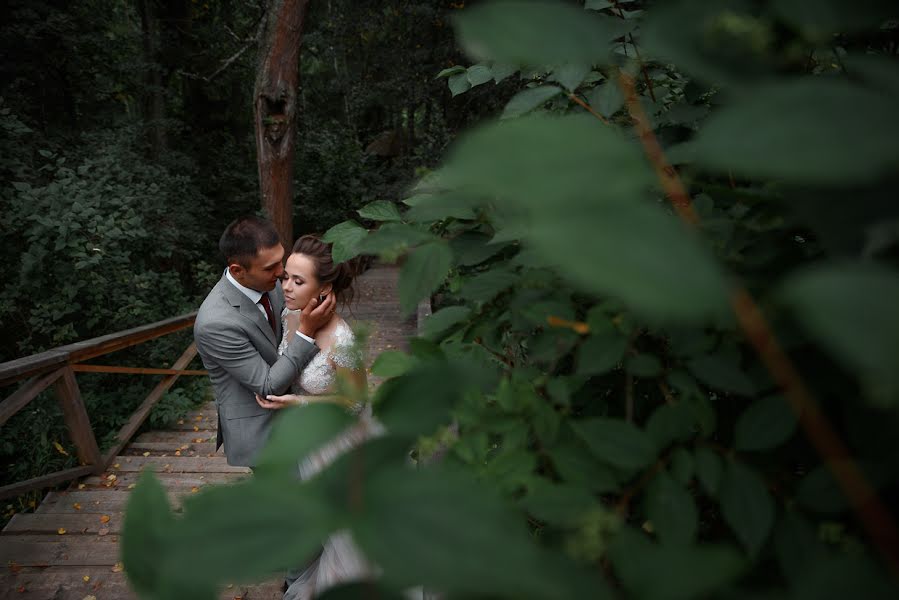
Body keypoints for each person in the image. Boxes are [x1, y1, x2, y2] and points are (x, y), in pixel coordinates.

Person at [254, 235, 383, 600]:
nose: (287, 287)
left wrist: (298, 403)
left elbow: (356, 401)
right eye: (285, 278)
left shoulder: (342, 341)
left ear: (324, 289)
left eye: (298, 281)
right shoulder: (289, 315)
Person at [193, 216, 336, 468]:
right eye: (271, 267)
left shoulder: (270, 282)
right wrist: (307, 330)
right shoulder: (215, 322)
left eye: (281, 260)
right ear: (238, 270)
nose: (282, 273)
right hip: (262, 431)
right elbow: (268, 385)